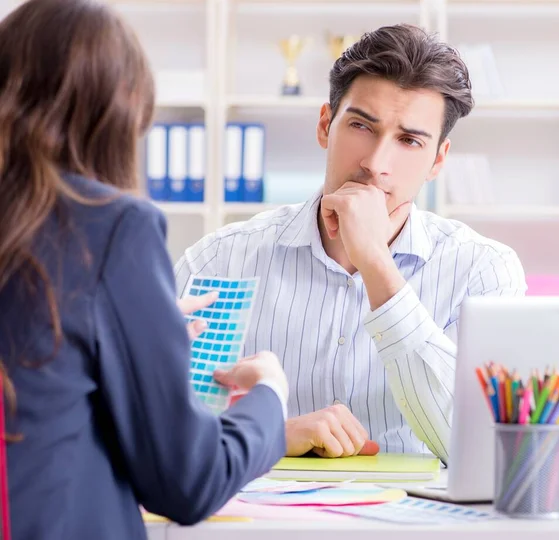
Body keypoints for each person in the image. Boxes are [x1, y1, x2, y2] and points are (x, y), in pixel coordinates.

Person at [0, 1, 288, 540]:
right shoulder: (112, 226)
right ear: (122, 111)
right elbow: (189, 482)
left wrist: (128, 328)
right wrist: (271, 396)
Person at [176, 23, 527, 464]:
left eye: (409, 140)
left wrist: (376, 262)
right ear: (326, 125)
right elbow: (155, 432)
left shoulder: (483, 271)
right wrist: (268, 434)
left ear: (438, 159)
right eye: (362, 125)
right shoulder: (218, 260)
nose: (375, 164)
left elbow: (478, 452)